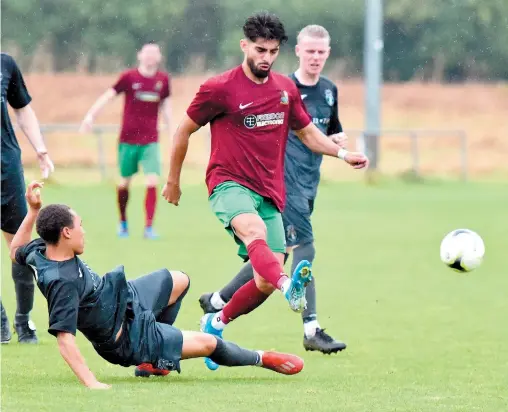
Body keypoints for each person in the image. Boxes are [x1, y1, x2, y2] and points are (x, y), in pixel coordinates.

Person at [161, 12, 368, 371]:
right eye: (260, 50)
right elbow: (182, 131)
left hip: (269, 192)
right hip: (228, 184)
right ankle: (291, 287)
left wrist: (342, 153)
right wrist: (173, 181)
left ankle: (218, 321)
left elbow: (307, 133)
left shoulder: (285, 90)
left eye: (273, 51)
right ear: (244, 46)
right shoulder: (220, 88)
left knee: (263, 278)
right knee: (257, 238)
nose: (266, 58)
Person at [9, 181, 305, 389]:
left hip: (124, 300)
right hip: (127, 337)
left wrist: (33, 211)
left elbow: (14, 252)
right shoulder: (63, 283)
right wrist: (92, 383)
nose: (84, 231)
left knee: (179, 280)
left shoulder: (39, 250)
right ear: (65, 233)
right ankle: (262, 358)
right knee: (209, 344)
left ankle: (154, 362)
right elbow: (65, 340)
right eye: (80, 225)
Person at [199, 25, 349, 355]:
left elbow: (322, 132)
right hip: (281, 183)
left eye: (322, 52)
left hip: (308, 184)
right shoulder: (280, 87)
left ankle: (217, 302)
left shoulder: (328, 90)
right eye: (310, 51)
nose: (316, 57)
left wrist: (339, 146)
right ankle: (311, 326)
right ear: (297, 51)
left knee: (269, 260)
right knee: (303, 248)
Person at [80, 42, 171, 240]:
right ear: (140, 56)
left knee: (152, 180)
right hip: (128, 139)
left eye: (154, 53)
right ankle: (123, 222)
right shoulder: (129, 77)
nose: (150, 57)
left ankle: (148, 227)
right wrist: (90, 116)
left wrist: (172, 129)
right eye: (146, 53)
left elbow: (166, 106)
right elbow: (108, 96)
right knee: (124, 183)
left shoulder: (163, 80)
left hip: (150, 140)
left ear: (159, 57)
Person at [1, 52, 55, 344]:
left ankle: (24, 320)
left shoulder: (5, 64)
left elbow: (22, 109)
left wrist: (41, 148)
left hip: (6, 167)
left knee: (20, 248)